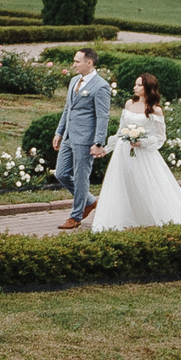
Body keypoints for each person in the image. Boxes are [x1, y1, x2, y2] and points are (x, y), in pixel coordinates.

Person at [88, 72, 181, 232]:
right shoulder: (129, 104)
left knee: (147, 184)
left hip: (143, 153)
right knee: (122, 182)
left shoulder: (155, 110)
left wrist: (142, 142)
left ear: (148, 88)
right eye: (135, 84)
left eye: (139, 85)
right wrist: (107, 148)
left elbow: (160, 137)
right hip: (123, 151)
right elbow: (120, 131)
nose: (135, 87)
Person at [52, 47, 114, 230]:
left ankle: (76, 216)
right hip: (69, 137)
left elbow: (103, 117)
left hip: (86, 140)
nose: (74, 64)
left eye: (77, 61)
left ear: (89, 62)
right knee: (61, 173)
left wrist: (98, 143)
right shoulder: (73, 81)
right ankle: (89, 201)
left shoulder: (101, 86)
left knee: (81, 178)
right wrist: (59, 132)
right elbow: (67, 109)